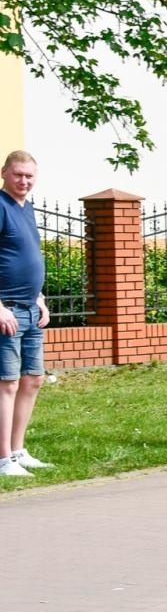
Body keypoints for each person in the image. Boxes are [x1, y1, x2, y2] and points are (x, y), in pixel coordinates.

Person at [0, 151, 51, 478]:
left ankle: (18, 451)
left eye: (29, 176)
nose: (23, 181)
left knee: (32, 380)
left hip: (31, 310)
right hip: (7, 312)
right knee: (6, 384)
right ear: (4, 173)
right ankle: (3, 459)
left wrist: (40, 298)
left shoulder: (26, 208)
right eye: (18, 174)